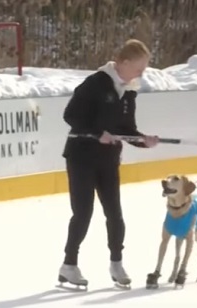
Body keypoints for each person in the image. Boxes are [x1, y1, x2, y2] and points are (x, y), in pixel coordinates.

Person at [58, 39, 159, 288]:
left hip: (108, 158)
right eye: (138, 68)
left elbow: (125, 129)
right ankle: (68, 265)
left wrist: (142, 140)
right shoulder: (95, 84)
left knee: (114, 213)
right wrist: (96, 133)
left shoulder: (129, 91)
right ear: (123, 63)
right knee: (83, 212)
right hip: (81, 155)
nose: (141, 74)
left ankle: (116, 262)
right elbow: (70, 115)